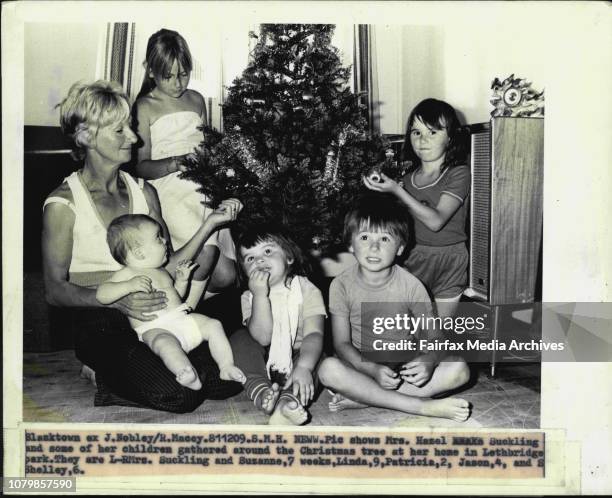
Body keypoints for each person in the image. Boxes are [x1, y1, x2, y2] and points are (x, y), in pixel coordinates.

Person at [42, 80, 243, 412]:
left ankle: (126, 369)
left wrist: (209, 225)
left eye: (131, 127)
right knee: (181, 395)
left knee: (225, 381)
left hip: (156, 314)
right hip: (100, 317)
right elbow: (53, 290)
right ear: (86, 137)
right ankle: (104, 374)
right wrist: (119, 301)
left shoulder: (143, 191)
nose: (133, 138)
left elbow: (166, 263)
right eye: (120, 131)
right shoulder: (63, 204)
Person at [318, 198, 471, 422]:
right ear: (350, 245)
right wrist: (372, 370)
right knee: (328, 369)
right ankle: (419, 405)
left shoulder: (411, 285)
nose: (374, 247)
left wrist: (429, 360)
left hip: (403, 365)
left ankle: (366, 398)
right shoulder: (340, 285)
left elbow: (435, 337)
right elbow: (341, 344)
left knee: (459, 368)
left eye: (385, 238)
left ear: (400, 248)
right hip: (362, 366)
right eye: (364, 237)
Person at [133, 28, 237, 309]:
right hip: (169, 186)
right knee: (202, 257)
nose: (178, 83)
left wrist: (214, 160)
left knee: (226, 277)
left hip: (202, 184)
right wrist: (176, 162)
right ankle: (182, 313)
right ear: (151, 71)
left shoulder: (196, 100)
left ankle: (184, 296)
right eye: (169, 76)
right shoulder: (145, 106)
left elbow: (206, 145)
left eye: (184, 74)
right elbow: (141, 166)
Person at [96, 214, 245, 390]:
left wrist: (182, 281)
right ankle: (187, 374)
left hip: (183, 320)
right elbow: (101, 295)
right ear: (139, 252)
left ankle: (225, 366)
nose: (165, 241)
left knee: (213, 325)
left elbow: (176, 298)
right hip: (155, 329)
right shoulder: (126, 274)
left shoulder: (161, 272)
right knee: (165, 345)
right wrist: (128, 286)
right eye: (158, 238)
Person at [364, 98, 471, 318]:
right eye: (416, 132)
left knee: (440, 332)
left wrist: (397, 191)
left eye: (433, 132)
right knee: (409, 328)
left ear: (450, 137)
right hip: (414, 256)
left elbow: (436, 221)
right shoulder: (406, 178)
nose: (423, 140)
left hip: (451, 258)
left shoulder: (458, 173)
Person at [230, 225, 327, 425]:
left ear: (289, 257)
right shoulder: (249, 297)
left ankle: (287, 403)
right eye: (250, 258)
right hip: (263, 360)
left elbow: (314, 334)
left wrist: (304, 367)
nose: (258, 260)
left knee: (319, 358)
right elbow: (263, 337)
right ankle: (262, 392)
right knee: (239, 338)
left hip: (300, 356)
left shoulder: (307, 289)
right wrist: (259, 295)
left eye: (267, 251)